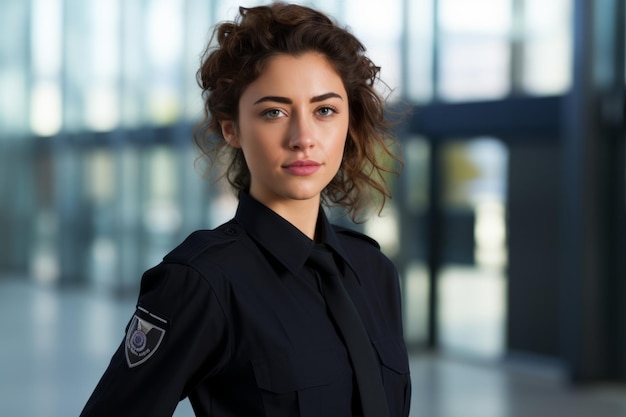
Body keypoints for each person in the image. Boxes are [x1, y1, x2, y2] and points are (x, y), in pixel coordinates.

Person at [80, 2, 411, 416]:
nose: (303, 137)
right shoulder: (202, 282)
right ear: (231, 129)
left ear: (348, 121)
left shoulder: (374, 271)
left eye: (324, 110)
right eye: (274, 112)